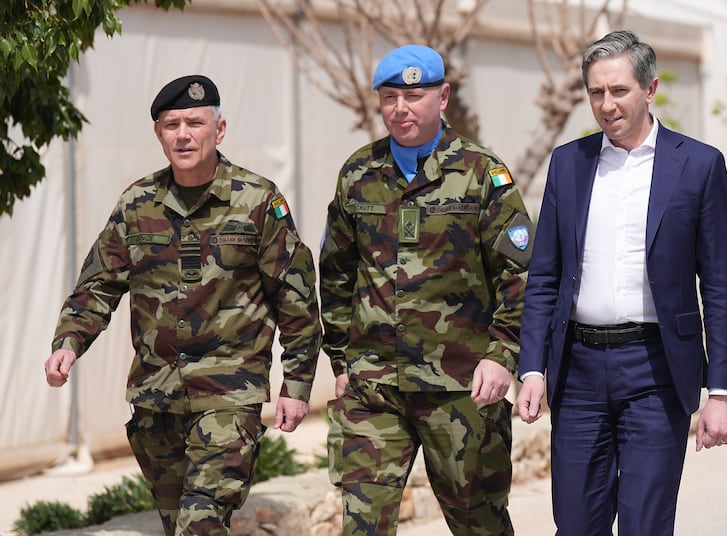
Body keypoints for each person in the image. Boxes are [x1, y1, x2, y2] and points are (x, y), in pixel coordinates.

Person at [43, 74, 322, 536]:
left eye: (195, 122)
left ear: (220, 129)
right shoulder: (136, 204)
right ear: (158, 133)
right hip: (157, 398)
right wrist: (68, 342)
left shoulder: (258, 201)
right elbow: (98, 284)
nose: (183, 134)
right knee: (181, 527)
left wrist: (297, 383)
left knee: (201, 521)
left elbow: (295, 298)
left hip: (230, 394)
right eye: (171, 124)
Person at [515, 30, 727, 535]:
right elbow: (545, 274)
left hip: (657, 371)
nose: (606, 104)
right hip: (577, 373)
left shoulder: (699, 165)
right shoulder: (568, 163)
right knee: (575, 525)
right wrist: (532, 367)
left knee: (645, 525)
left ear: (650, 88)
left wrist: (720, 392)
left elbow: (721, 285)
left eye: (618, 91)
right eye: (596, 92)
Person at [319, 45, 534, 535]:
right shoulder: (358, 174)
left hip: (461, 387)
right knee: (362, 524)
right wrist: (341, 361)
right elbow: (335, 272)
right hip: (375, 385)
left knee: (479, 523)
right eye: (390, 96)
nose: (401, 108)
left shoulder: (483, 174)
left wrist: (502, 355)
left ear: (443, 96)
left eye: (414, 96)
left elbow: (519, 274)